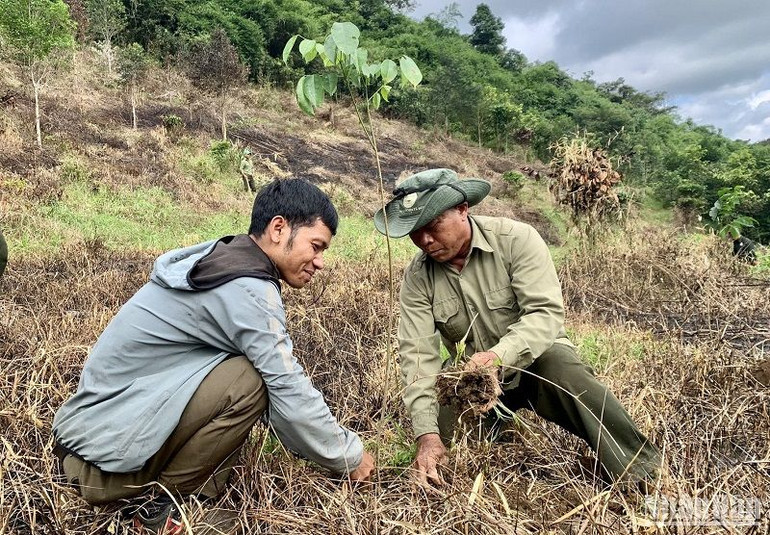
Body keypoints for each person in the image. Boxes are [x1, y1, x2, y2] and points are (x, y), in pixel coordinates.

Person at [53, 179, 375, 533]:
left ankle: (182, 495)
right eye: (315, 246)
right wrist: (348, 455)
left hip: (85, 443)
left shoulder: (225, 259)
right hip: (100, 468)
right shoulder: (248, 288)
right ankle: (159, 508)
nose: (320, 262)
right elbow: (289, 388)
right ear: (278, 229)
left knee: (242, 371)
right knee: (250, 381)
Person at [374, 168, 660, 490]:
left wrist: (497, 357)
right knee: (447, 449)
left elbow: (544, 314)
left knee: (570, 377)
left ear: (463, 209)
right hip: (474, 379)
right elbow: (417, 355)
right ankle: (496, 436)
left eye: (434, 225)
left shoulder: (516, 239)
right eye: (415, 231)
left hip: (535, 361)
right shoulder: (418, 277)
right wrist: (427, 435)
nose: (425, 240)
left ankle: (644, 474)